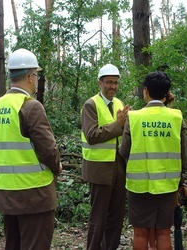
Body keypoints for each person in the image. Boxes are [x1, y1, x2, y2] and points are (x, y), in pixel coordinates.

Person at [0, 48, 62, 250]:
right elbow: (48, 151)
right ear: (29, 76)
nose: (36, 80)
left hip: (5, 194)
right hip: (33, 196)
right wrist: (58, 167)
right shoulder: (30, 107)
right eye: (36, 75)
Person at [119, 71, 187, 250]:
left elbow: (124, 151)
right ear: (166, 92)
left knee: (140, 232)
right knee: (163, 232)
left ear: (146, 91)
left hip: (138, 186)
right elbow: (183, 156)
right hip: (168, 185)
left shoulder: (134, 118)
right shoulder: (176, 117)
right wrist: (181, 181)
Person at [81, 64, 131, 250]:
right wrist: (118, 124)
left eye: (116, 83)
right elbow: (92, 135)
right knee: (98, 217)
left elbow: (123, 134)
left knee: (116, 217)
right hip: (99, 168)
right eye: (109, 82)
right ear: (100, 83)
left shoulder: (118, 103)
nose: (113, 87)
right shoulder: (90, 104)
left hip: (118, 166)